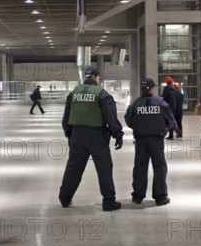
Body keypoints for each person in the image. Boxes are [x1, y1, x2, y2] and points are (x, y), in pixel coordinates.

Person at [59, 67, 124, 211]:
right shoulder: (101, 94)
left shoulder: (73, 93)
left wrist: (70, 134)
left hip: (77, 135)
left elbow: (66, 118)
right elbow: (110, 116)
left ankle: (65, 198)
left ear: (85, 77)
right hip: (96, 135)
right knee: (104, 167)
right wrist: (117, 134)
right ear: (96, 78)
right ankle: (108, 201)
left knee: (74, 167)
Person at [124, 78, 177, 206]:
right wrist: (163, 130)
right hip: (157, 139)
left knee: (140, 167)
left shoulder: (135, 103)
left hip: (141, 140)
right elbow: (171, 121)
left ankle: (137, 196)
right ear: (152, 88)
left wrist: (138, 128)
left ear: (142, 89)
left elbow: (128, 120)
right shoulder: (161, 103)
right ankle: (160, 197)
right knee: (159, 167)